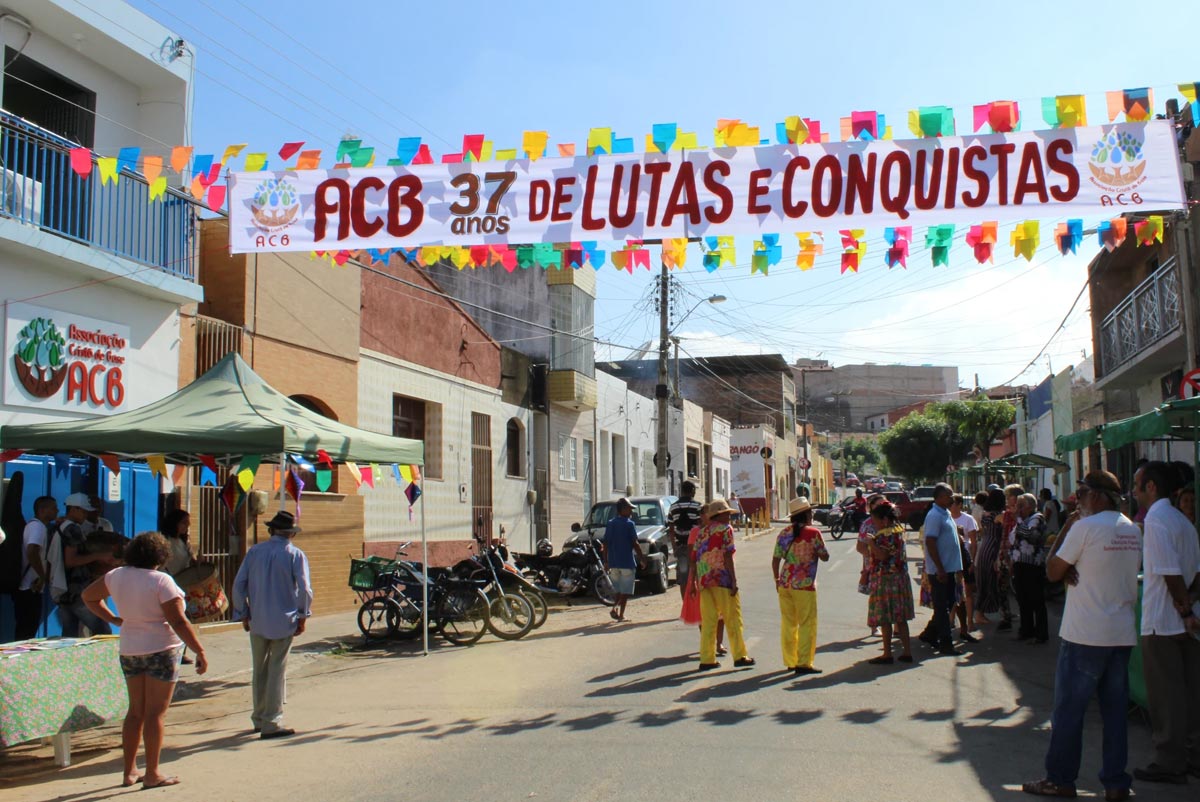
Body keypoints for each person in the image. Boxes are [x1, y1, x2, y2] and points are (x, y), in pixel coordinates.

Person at [1021, 471, 1141, 801]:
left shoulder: (1085, 527)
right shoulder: (1132, 529)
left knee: (1069, 713)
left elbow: (1051, 570)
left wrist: (1067, 529)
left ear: (1098, 496)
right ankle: (1116, 782)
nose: (1078, 499)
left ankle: (1059, 779)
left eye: (1083, 492)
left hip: (1086, 634)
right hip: (1120, 634)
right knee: (1115, 714)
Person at [81, 532, 207, 789]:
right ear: (160, 557)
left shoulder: (115, 575)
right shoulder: (162, 581)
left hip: (130, 648)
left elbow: (89, 597)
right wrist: (199, 650)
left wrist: (115, 619)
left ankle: (129, 771)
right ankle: (152, 773)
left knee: (135, 712)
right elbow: (178, 621)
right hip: (161, 649)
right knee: (155, 714)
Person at [1132, 461, 1200, 785]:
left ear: (1151, 487)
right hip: (1183, 622)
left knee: (1167, 697)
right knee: (1188, 693)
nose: (1133, 492)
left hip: (1163, 623)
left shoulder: (1157, 519)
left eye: (1137, 486)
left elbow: (1170, 572)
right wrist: (1190, 608)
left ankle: (1170, 761)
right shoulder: (1181, 521)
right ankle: (1191, 756)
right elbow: (1196, 573)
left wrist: (1184, 611)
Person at [231, 510, 312, 739]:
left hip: (257, 619)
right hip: (284, 620)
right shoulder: (295, 555)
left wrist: (243, 612)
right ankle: (272, 721)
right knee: (277, 671)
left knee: (260, 670)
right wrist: (303, 615)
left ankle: (258, 717)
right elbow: (304, 589)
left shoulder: (255, 552)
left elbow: (239, 584)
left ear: (271, 530)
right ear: (291, 534)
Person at [689, 497, 752, 670]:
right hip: (721, 578)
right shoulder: (726, 530)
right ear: (720, 515)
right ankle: (740, 655)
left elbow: (693, 559)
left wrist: (694, 582)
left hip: (704, 580)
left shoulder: (702, 532)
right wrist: (734, 580)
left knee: (709, 621)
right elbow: (727, 556)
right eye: (727, 514)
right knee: (732, 618)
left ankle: (707, 659)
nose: (729, 518)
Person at [771, 497, 829, 675]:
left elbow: (775, 560)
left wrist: (777, 580)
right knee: (806, 624)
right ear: (807, 514)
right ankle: (803, 662)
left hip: (785, 583)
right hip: (804, 586)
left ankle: (790, 660)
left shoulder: (784, 533)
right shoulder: (813, 533)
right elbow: (825, 556)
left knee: (788, 624)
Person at [56, 492, 118, 636]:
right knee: (103, 631)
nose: (86, 515)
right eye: (83, 511)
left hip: (63, 588)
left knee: (69, 635)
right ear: (74, 509)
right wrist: (100, 555)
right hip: (76, 588)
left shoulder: (62, 526)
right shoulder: (73, 529)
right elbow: (71, 561)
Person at [866, 502, 915, 665]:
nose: (875, 524)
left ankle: (887, 653)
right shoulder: (899, 531)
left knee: (886, 617)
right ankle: (907, 652)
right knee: (901, 618)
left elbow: (883, 556)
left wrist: (872, 543)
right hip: (900, 578)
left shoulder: (885, 536)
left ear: (885, 520)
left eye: (876, 521)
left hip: (886, 580)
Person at [922, 484, 964, 656]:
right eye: (948, 495)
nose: (951, 498)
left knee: (948, 603)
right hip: (940, 570)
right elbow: (930, 542)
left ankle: (929, 634)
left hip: (950, 568)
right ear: (939, 497)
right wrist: (939, 568)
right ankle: (946, 644)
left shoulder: (945, 513)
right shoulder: (934, 515)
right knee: (942, 608)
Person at [1012, 493, 1051, 644]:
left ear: (1029, 506)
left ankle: (1041, 633)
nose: (1018, 509)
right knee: (1022, 598)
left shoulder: (1037, 518)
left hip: (1033, 564)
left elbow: (1030, 535)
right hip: (1021, 562)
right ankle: (1026, 629)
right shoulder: (1024, 519)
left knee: (1036, 599)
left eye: (1020, 506)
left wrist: (1018, 520)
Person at [688, 503, 725, 656]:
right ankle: (708, 642)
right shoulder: (696, 532)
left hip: (720, 575)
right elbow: (692, 558)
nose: (706, 516)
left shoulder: (721, 530)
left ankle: (719, 643)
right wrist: (693, 579)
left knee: (721, 613)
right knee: (704, 613)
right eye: (704, 513)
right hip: (702, 576)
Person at [603, 498, 645, 622]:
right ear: (623, 510)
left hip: (613, 562)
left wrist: (606, 561)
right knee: (625, 590)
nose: (631, 511)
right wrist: (642, 558)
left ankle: (616, 609)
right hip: (626, 561)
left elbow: (605, 543)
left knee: (618, 589)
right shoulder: (629, 524)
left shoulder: (611, 523)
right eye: (629, 509)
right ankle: (619, 613)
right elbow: (635, 543)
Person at [974, 488, 1008, 627]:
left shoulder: (985, 514)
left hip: (984, 547)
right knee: (990, 582)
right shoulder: (998, 515)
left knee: (985, 581)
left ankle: (995, 611)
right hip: (993, 548)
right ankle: (980, 614)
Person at [951, 494, 980, 642]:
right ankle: (951, 622)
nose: (951, 506)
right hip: (952, 561)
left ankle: (970, 621)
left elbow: (974, 542)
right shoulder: (947, 519)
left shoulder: (968, 519)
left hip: (965, 559)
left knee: (968, 591)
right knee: (953, 593)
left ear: (960, 504)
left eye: (954, 503)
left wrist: (973, 562)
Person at [855, 493, 885, 636]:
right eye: (878, 504)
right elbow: (860, 547)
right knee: (875, 597)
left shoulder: (890, 521)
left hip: (890, 564)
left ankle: (895, 626)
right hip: (873, 565)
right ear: (871, 507)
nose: (881, 506)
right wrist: (871, 556)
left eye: (883, 504)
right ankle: (874, 625)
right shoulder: (867, 524)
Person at [668, 482, 703, 598]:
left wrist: (674, 547)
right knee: (699, 575)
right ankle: (699, 605)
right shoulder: (698, 506)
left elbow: (671, 529)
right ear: (693, 491)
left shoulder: (673, 507)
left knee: (683, 578)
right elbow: (702, 526)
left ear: (681, 491)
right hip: (696, 547)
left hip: (681, 547)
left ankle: (685, 606)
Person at [160, 509, 194, 578]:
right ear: (174, 523)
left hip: (184, 579)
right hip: (169, 579)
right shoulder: (164, 541)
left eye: (188, 523)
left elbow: (190, 562)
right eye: (184, 522)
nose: (187, 525)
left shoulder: (184, 541)